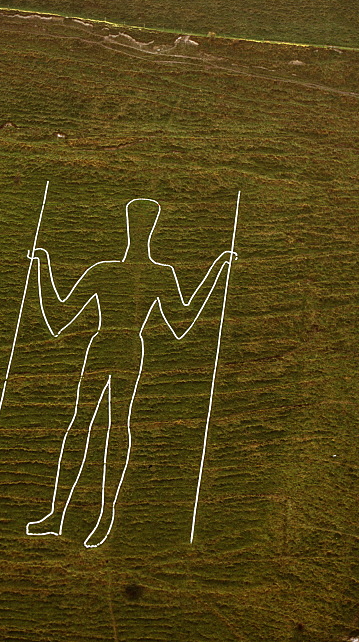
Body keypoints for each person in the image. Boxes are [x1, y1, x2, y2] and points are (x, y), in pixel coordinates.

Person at [26, 198, 236, 548]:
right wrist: (42, 267)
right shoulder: (107, 270)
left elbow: (180, 326)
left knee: (114, 426)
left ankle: (104, 517)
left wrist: (216, 272)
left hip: (123, 350)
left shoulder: (154, 274)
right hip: (104, 347)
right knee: (82, 425)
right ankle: (56, 513)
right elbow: (60, 318)